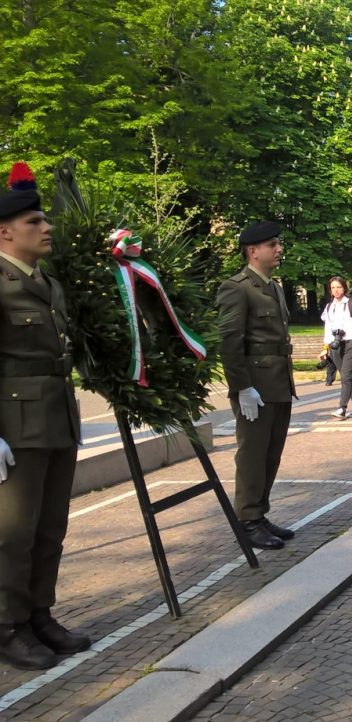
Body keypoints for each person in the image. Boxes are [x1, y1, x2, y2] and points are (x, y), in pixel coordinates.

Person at [0, 163, 91, 670]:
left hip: (56, 418)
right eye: (36, 222)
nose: (47, 227)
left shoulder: (48, 284)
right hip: (16, 425)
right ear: (5, 231)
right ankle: (8, 626)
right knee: (12, 532)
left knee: (50, 527)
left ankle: (39, 614)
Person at [215, 219, 298, 551]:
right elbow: (229, 342)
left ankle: (259, 513)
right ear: (253, 251)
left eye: (277, 244)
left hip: (278, 382)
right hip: (256, 386)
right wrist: (241, 387)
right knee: (252, 454)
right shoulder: (237, 287)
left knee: (271, 454)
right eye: (272, 245)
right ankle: (247, 519)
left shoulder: (273, 287)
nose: (278, 249)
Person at [318, 276, 352, 419]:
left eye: (338, 287)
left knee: (345, 376)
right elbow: (327, 328)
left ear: (344, 287)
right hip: (335, 345)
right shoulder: (329, 306)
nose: (336, 290)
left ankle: (342, 408)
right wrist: (325, 347)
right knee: (347, 377)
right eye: (333, 288)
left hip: (351, 342)